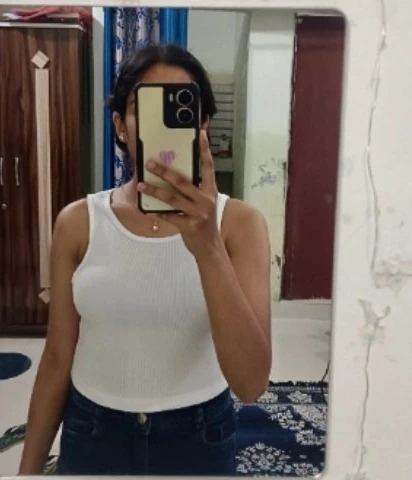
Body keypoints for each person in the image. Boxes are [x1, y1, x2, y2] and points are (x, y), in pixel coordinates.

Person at [18, 44, 272, 476]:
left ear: (203, 125)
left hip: (199, 437)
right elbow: (58, 356)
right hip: (92, 432)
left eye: (181, 108)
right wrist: (27, 470)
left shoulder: (241, 225)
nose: (166, 124)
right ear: (120, 126)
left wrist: (207, 246)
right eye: (148, 108)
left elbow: (250, 384)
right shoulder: (78, 223)